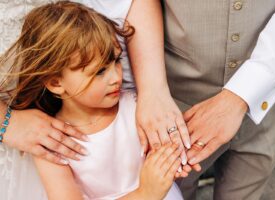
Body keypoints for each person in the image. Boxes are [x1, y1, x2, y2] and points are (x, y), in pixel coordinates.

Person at [0, 1, 184, 199]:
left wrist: (174, 157)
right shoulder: (53, 143)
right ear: (55, 83)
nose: (116, 78)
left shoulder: (137, 107)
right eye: (100, 72)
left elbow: (164, 150)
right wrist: (145, 193)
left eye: (117, 61)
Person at [126, 0, 275, 199]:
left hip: (269, 96)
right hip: (174, 104)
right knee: (170, 191)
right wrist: (152, 90)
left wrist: (241, 94)